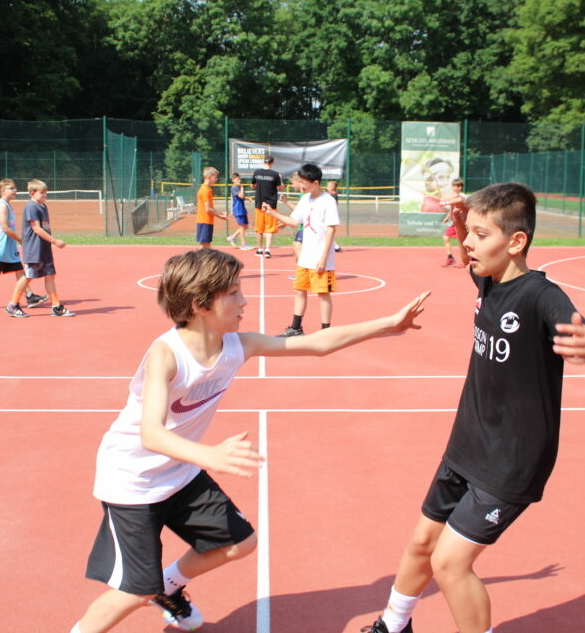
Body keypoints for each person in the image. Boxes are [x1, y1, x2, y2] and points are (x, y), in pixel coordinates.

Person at [72, 248, 429, 633]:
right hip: (133, 481)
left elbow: (318, 344)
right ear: (200, 305)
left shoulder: (238, 346)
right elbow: (151, 433)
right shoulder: (167, 354)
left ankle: (168, 587)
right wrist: (209, 455)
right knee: (134, 591)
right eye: (233, 293)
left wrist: (388, 324)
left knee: (238, 542)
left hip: (178, 471)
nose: (244, 301)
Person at [362, 182, 585, 633]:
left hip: (512, 458)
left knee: (450, 563)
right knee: (422, 542)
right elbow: (468, 253)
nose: (467, 244)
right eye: (470, 234)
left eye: (482, 236)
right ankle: (393, 625)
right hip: (468, 442)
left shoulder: (541, 296)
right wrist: (464, 219)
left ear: (516, 242)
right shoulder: (487, 278)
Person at [262, 164, 340, 337]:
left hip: (321, 256)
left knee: (323, 293)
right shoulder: (305, 199)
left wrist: (323, 257)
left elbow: (331, 230)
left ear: (315, 182)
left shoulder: (328, 201)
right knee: (299, 290)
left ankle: (326, 331)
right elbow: (294, 221)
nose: (301, 185)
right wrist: (272, 213)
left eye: (304, 182)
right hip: (306, 255)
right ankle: (296, 328)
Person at [5, 179, 75, 318]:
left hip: (44, 248)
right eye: (41, 192)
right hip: (34, 249)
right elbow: (36, 228)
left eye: (45, 192)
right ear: (32, 193)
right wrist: (55, 241)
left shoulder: (43, 206)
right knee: (28, 276)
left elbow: (45, 228)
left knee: (50, 275)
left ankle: (56, 306)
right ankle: (12, 305)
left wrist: (49, 242)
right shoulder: (31, 207)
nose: (44, 195)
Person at [0, 179, 47, 310]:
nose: (15, 190)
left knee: (19, 270)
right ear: (3, 191)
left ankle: (30, 296)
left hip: (9, 246)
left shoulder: (8, 205)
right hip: (0, 246)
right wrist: (21, 240)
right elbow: (5, 228)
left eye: (15, 188)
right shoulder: (2, 206)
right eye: (11, 188)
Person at [251, 155, 283, 258]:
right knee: (270, 228)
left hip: (259, 204)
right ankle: (268, 250)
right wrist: (280, 179)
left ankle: (260, 249)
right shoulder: (275, 174)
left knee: (259, 228)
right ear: (272, 163)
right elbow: (281, 188)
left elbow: (252, 186)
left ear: (264, 162)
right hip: (271, 205)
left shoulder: (257, 172)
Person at [194, 167, 228, 249]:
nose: (216, 179)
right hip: (204, 221)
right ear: (209, 177)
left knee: (206, 245)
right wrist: (220, 216)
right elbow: (208, 209)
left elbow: (210, 208)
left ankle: (200, 257)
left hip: (206, 221)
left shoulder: (207, 189)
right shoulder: (205, 190)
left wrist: (220, 214)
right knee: (205, 246)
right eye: (215, 177)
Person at [439, 177, 467, 268]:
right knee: (446, 237)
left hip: (461, 222)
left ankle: (466, 260)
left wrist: (446, 201)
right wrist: (447, 217)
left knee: (463, 242)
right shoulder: (453, 197)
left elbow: (460, 202)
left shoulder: (462, 196)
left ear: (460, 187)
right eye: (453, 186)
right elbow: (452, 207)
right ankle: (450, 258)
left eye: (455, 186)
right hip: (454, 222)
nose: (453, 187)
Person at [225, 173, 251, 250]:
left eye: (239, 179)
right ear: (233, 180)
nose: (239, 181)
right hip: (238, 210)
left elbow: (241, 197)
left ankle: (232, 237)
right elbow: (241, 196)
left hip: (242, 209)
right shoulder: (234, 187)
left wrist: (246, 198)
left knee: (245, 226)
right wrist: (242, 187)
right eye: (237, 179)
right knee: (242, 226)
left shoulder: (237, 188)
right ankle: (243, 244)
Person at [326, 180, 343, 252]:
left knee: (328, 231)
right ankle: (335, 246)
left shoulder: (332, 195)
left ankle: (336, 246)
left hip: (329, 215)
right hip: (328, 215)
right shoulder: (330, 195)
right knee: (326, 232)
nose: (327, 187)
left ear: (332, 187)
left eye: (328, 186)